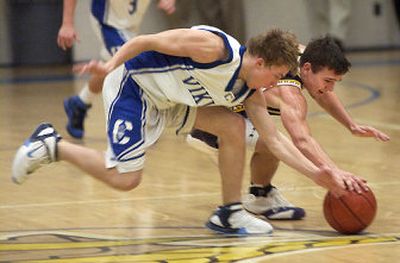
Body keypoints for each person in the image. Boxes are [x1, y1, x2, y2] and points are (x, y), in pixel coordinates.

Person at [12, 26, 367, 235]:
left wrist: (320, 175)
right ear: (260, 62)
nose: (276, 84)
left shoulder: (252, 89)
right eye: (276, 75)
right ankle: (52, 145)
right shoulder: (213, 48)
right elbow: (144, 41)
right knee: (125, 179)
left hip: (172, 101)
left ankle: (228, 212)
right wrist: (108, 65)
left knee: (233, 126)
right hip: (134, 87)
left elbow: (276, 141)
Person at [187, 36, 390, 221]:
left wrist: (351, 125)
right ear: (307, 69)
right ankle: (258, 197)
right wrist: (335, 172)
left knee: (270, 137)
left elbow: (321, 91)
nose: (330, 88)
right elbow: (302, 140)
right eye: (329, 81)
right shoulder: (290, 94)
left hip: (229, 105)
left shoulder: (302, 54)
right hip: (213, 117)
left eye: (335, 82)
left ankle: (260, 194)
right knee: (273, 141)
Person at [57, 0, 176, 139]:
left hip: (130, 21)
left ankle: (79, 103)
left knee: (109, 66)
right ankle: (142, 121)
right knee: (133, 63)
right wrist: (67, 23)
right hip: (108, 21)